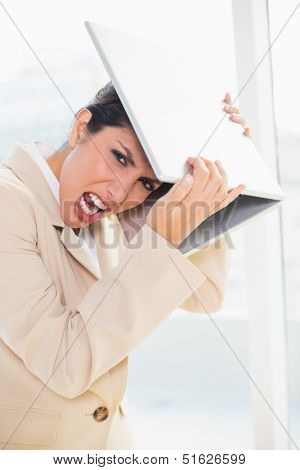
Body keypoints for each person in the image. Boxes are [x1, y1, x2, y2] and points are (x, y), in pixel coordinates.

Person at [0, 81, 250, 450]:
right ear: (81, 127)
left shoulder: (106, 210)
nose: (119, 193)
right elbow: (63, 364)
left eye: (145, 181)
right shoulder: (9, 201)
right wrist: (159, 240)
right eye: (119, 157)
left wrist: (204, 178)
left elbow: (206, 296)